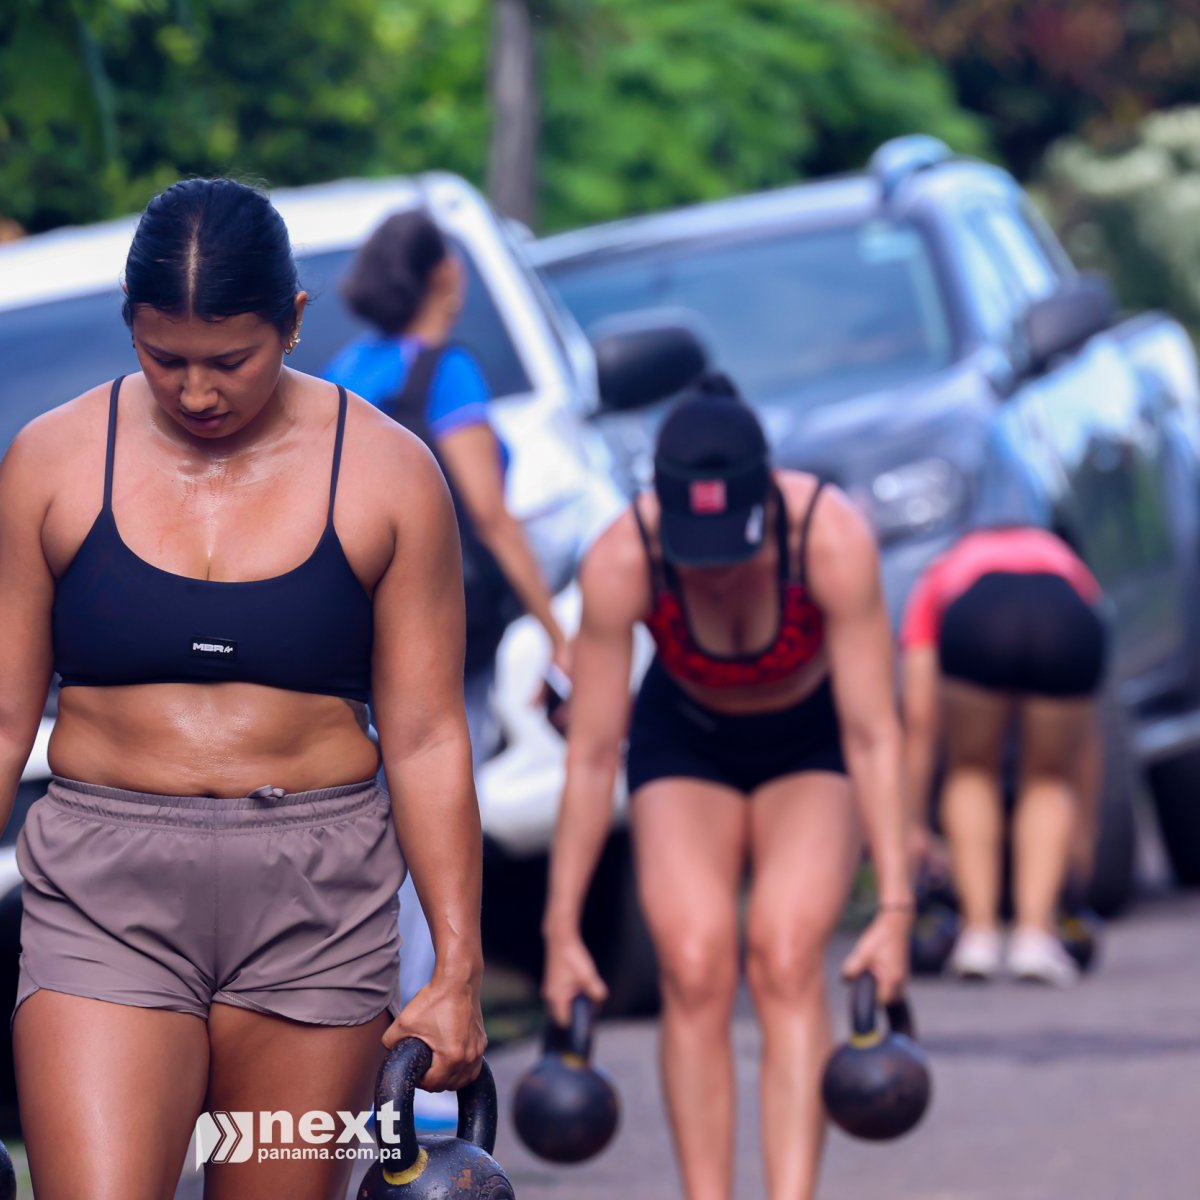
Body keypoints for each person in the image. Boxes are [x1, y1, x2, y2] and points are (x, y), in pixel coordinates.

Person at [0, 178, 487, 1200]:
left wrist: (457, 967)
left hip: (318, 901)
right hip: (106, 890)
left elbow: (429, 735)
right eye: (164, 358)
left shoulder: (390, 475)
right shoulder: (51, 463)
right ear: (129, 323)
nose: (198, 393)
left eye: (231, 361)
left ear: (292, 321)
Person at [542, 373, 912, 1200]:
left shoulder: (829, 538)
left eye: (731, 547)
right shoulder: (623, 558)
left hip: (810, 741)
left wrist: (894, 908)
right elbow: (593, 755)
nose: (712, 575)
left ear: (766, 499)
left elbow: (874, 734)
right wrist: (562, 929)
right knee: (695, 962)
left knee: (784, 954)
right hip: (688, 740)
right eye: (695, 550)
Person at [323, 208, 568, 1129]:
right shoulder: (447, 371)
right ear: (439, 277)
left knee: (361, 833)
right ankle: (416, 1067)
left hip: (346, 628)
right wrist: (556, 626)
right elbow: (488, 513)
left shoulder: (343, 372)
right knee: (427, 833)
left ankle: (349, 1057)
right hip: (430, 628)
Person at [898, 526, 1107, 986]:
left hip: (979, 615)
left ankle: (978, 936)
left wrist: (912, 825)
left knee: (971, 770)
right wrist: (1086, 828)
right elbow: (1087, 737)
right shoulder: (1068, 565)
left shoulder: (942, 571)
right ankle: (1034, 938)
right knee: (1048, 777)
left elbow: (919, 717)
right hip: (1064, 616)